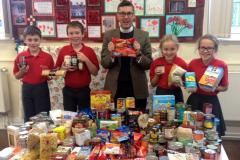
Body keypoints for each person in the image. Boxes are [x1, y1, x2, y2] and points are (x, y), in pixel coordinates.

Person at [101, 0, 152, 112]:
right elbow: (104, 63)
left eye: (129, 13)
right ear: (117, 16)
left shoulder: (143, 36)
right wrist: (111, 54)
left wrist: (138, 53)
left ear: (133, 16)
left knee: (138, 123)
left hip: (137, 88)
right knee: (114, 123)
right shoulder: (109, 35)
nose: (126, 17)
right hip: (115, 88)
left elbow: (148, 64)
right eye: (122, 13)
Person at [186, 34, 228, 136]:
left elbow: (225, 87)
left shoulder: (221, 65)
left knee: (210, 131)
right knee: (192, 128)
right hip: (195, 100)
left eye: (209, 48)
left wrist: (213, 88)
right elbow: (188, 81)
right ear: (199, 48)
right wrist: (189, 86)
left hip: (211, 102)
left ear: (215, 49)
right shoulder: (193, 63)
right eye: (203, 48)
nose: (205, 51)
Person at [55, 21, 99, 112]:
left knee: (85, 117)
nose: (74, 36)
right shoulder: (64, 50)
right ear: (67, 35)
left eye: (77, 33)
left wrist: (86, 59)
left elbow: (95, 72)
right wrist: (64, 68)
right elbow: (57, 74)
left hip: (84, 90)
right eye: (71, 33)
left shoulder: (89, 51)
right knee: (69, 117)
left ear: (82, 34)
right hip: (68, 90)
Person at [13, 25, 54, 121]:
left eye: (36, 40)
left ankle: (44, 135)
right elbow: (16, 76)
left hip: (42, 88)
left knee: (43, 116)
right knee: (29, 116)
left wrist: (52, 74)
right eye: (30, 40)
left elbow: (51, 76)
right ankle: (30, 135)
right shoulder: (21, 56)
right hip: (27, 89)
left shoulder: (47, 57)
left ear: (40, 40)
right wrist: (22, 72)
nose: (33, 43)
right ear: (25, 40)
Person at [150, 34, 188, 103]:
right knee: (160, 113)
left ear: (177, 48)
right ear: (161, 49)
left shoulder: (181, 63)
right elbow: (152, 84)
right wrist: (157, 75)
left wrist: (182, 81)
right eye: (165, 49)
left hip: (176, 93)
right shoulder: (156, 62)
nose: (169, 52)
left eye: (172, 49)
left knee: (177, 113)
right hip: (161, 93)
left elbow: (187, 82)